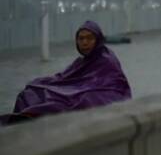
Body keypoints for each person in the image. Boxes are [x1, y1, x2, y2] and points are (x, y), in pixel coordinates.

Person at [2, 21, 131, 124]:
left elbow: (116, 86)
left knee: (82, 99)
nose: (84, 42)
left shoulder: (107, 60)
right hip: (78, 91)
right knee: (32, 89)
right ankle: (24, 118)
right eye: (81, 39)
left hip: (100, 96)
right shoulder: (81, 62)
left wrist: (82, 91)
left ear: (98, 40)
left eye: (89, 38)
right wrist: (42, 82)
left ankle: (34, 115)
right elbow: (63, 78)